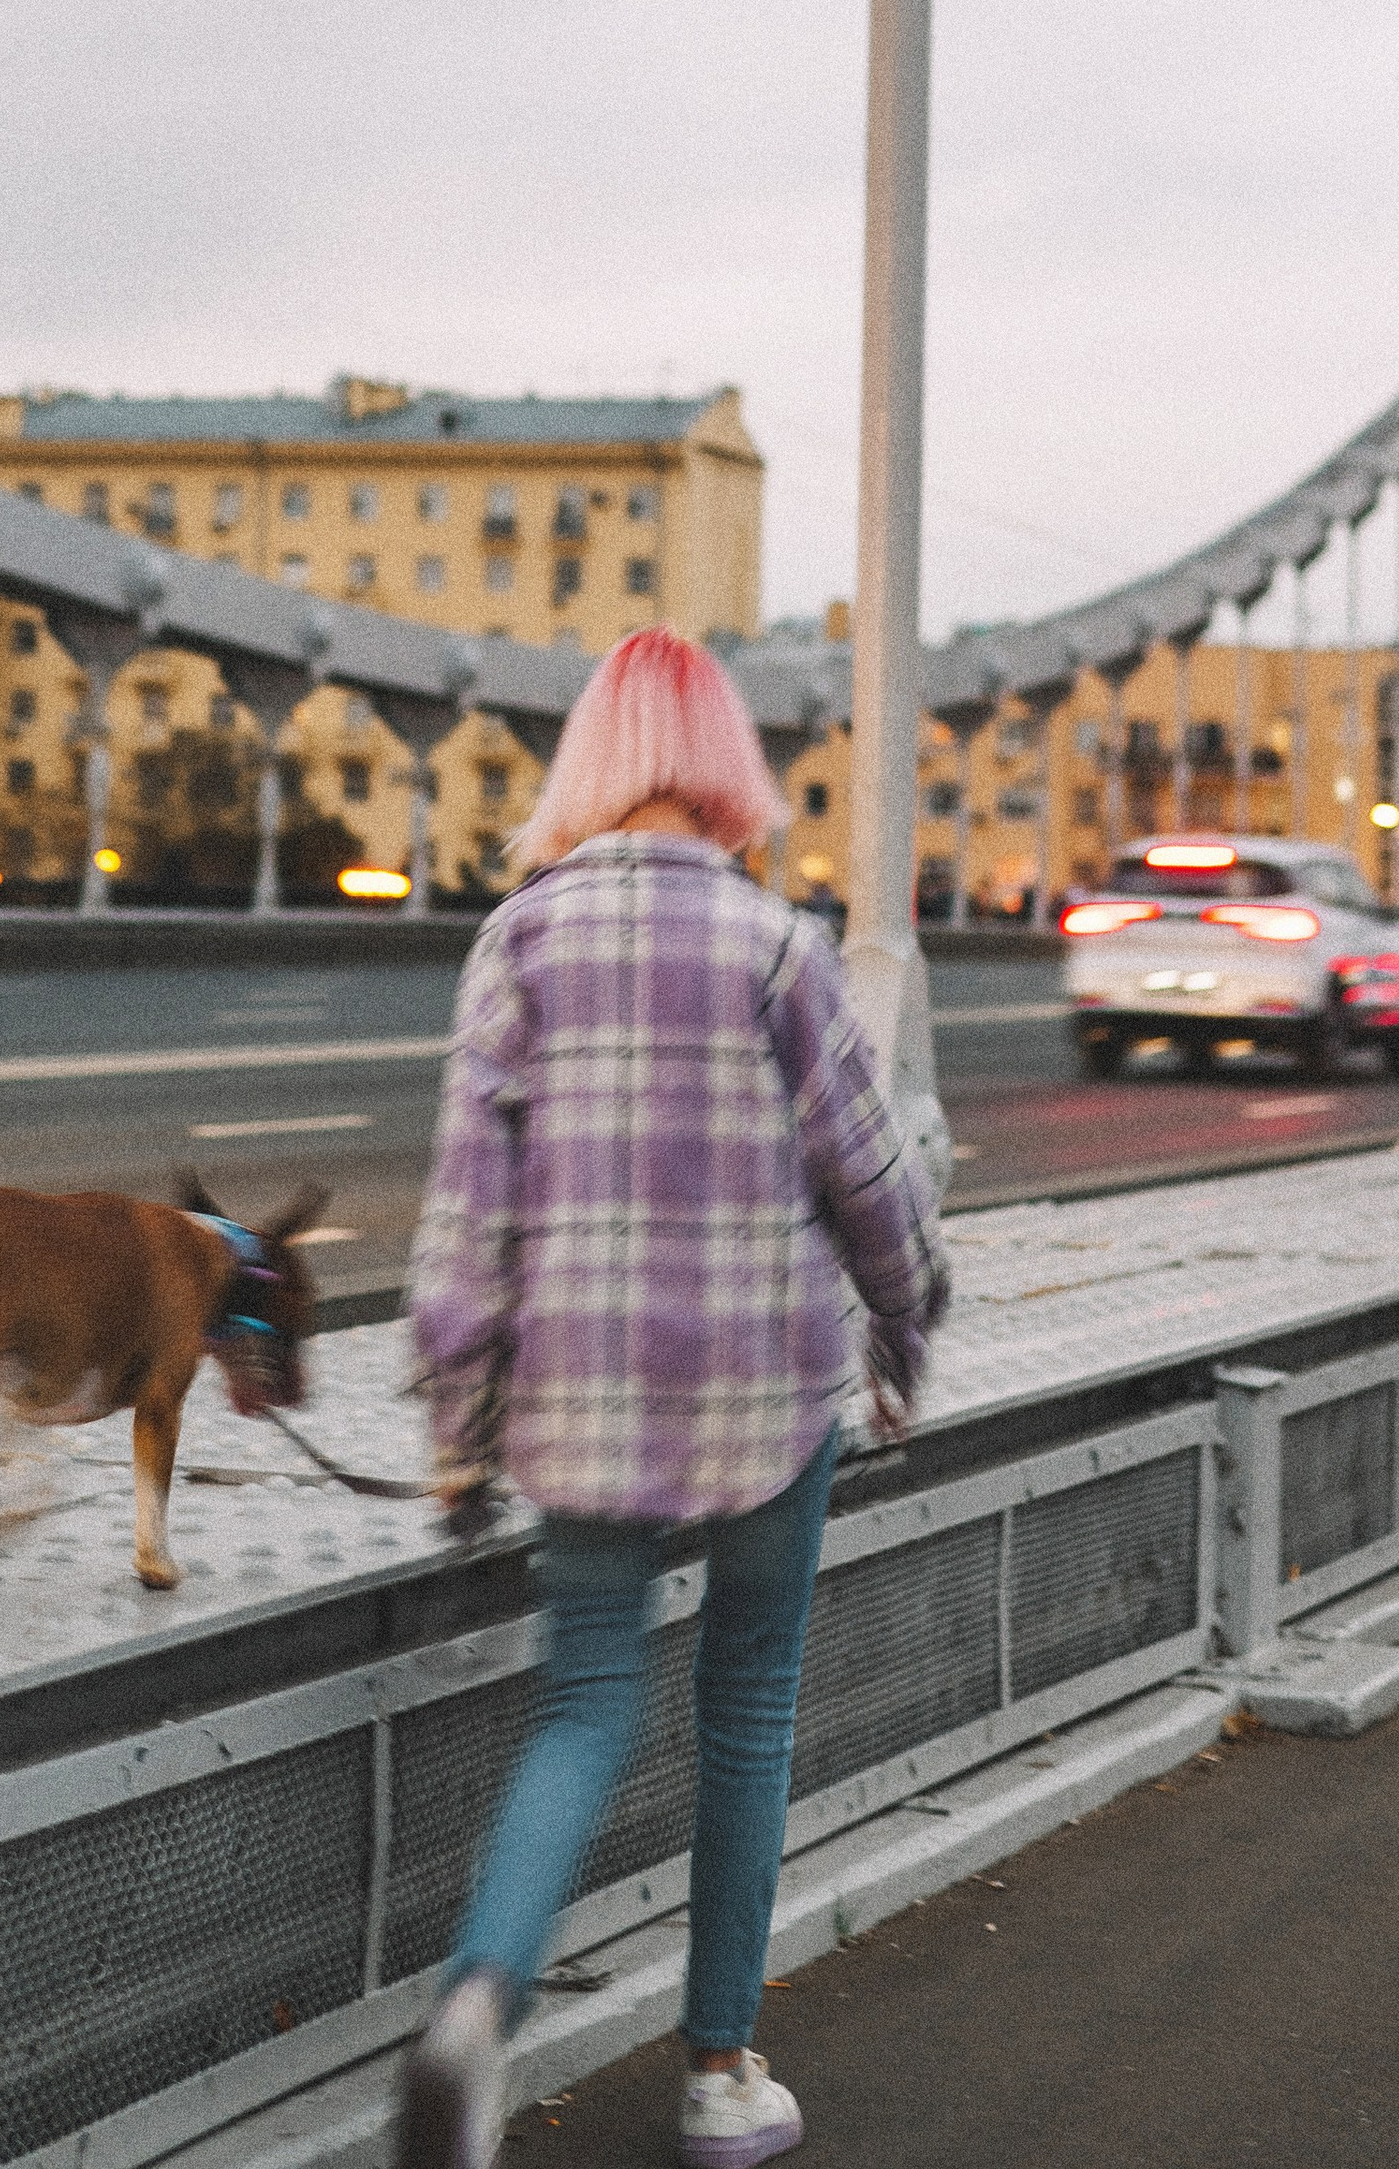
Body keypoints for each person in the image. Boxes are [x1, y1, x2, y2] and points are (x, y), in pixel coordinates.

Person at [394, 628, 947, 2169]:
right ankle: (718, 2080)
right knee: (747, 1715)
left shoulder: (517, 944)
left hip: (577, 1405)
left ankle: (473, 2014)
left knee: (580, 1707)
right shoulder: (781, 947)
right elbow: (871, 1185)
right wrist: (903, 1336)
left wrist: (457, 1434)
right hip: (767, 1397)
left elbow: (465, 1228)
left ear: (588, 767)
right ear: (725, 773)